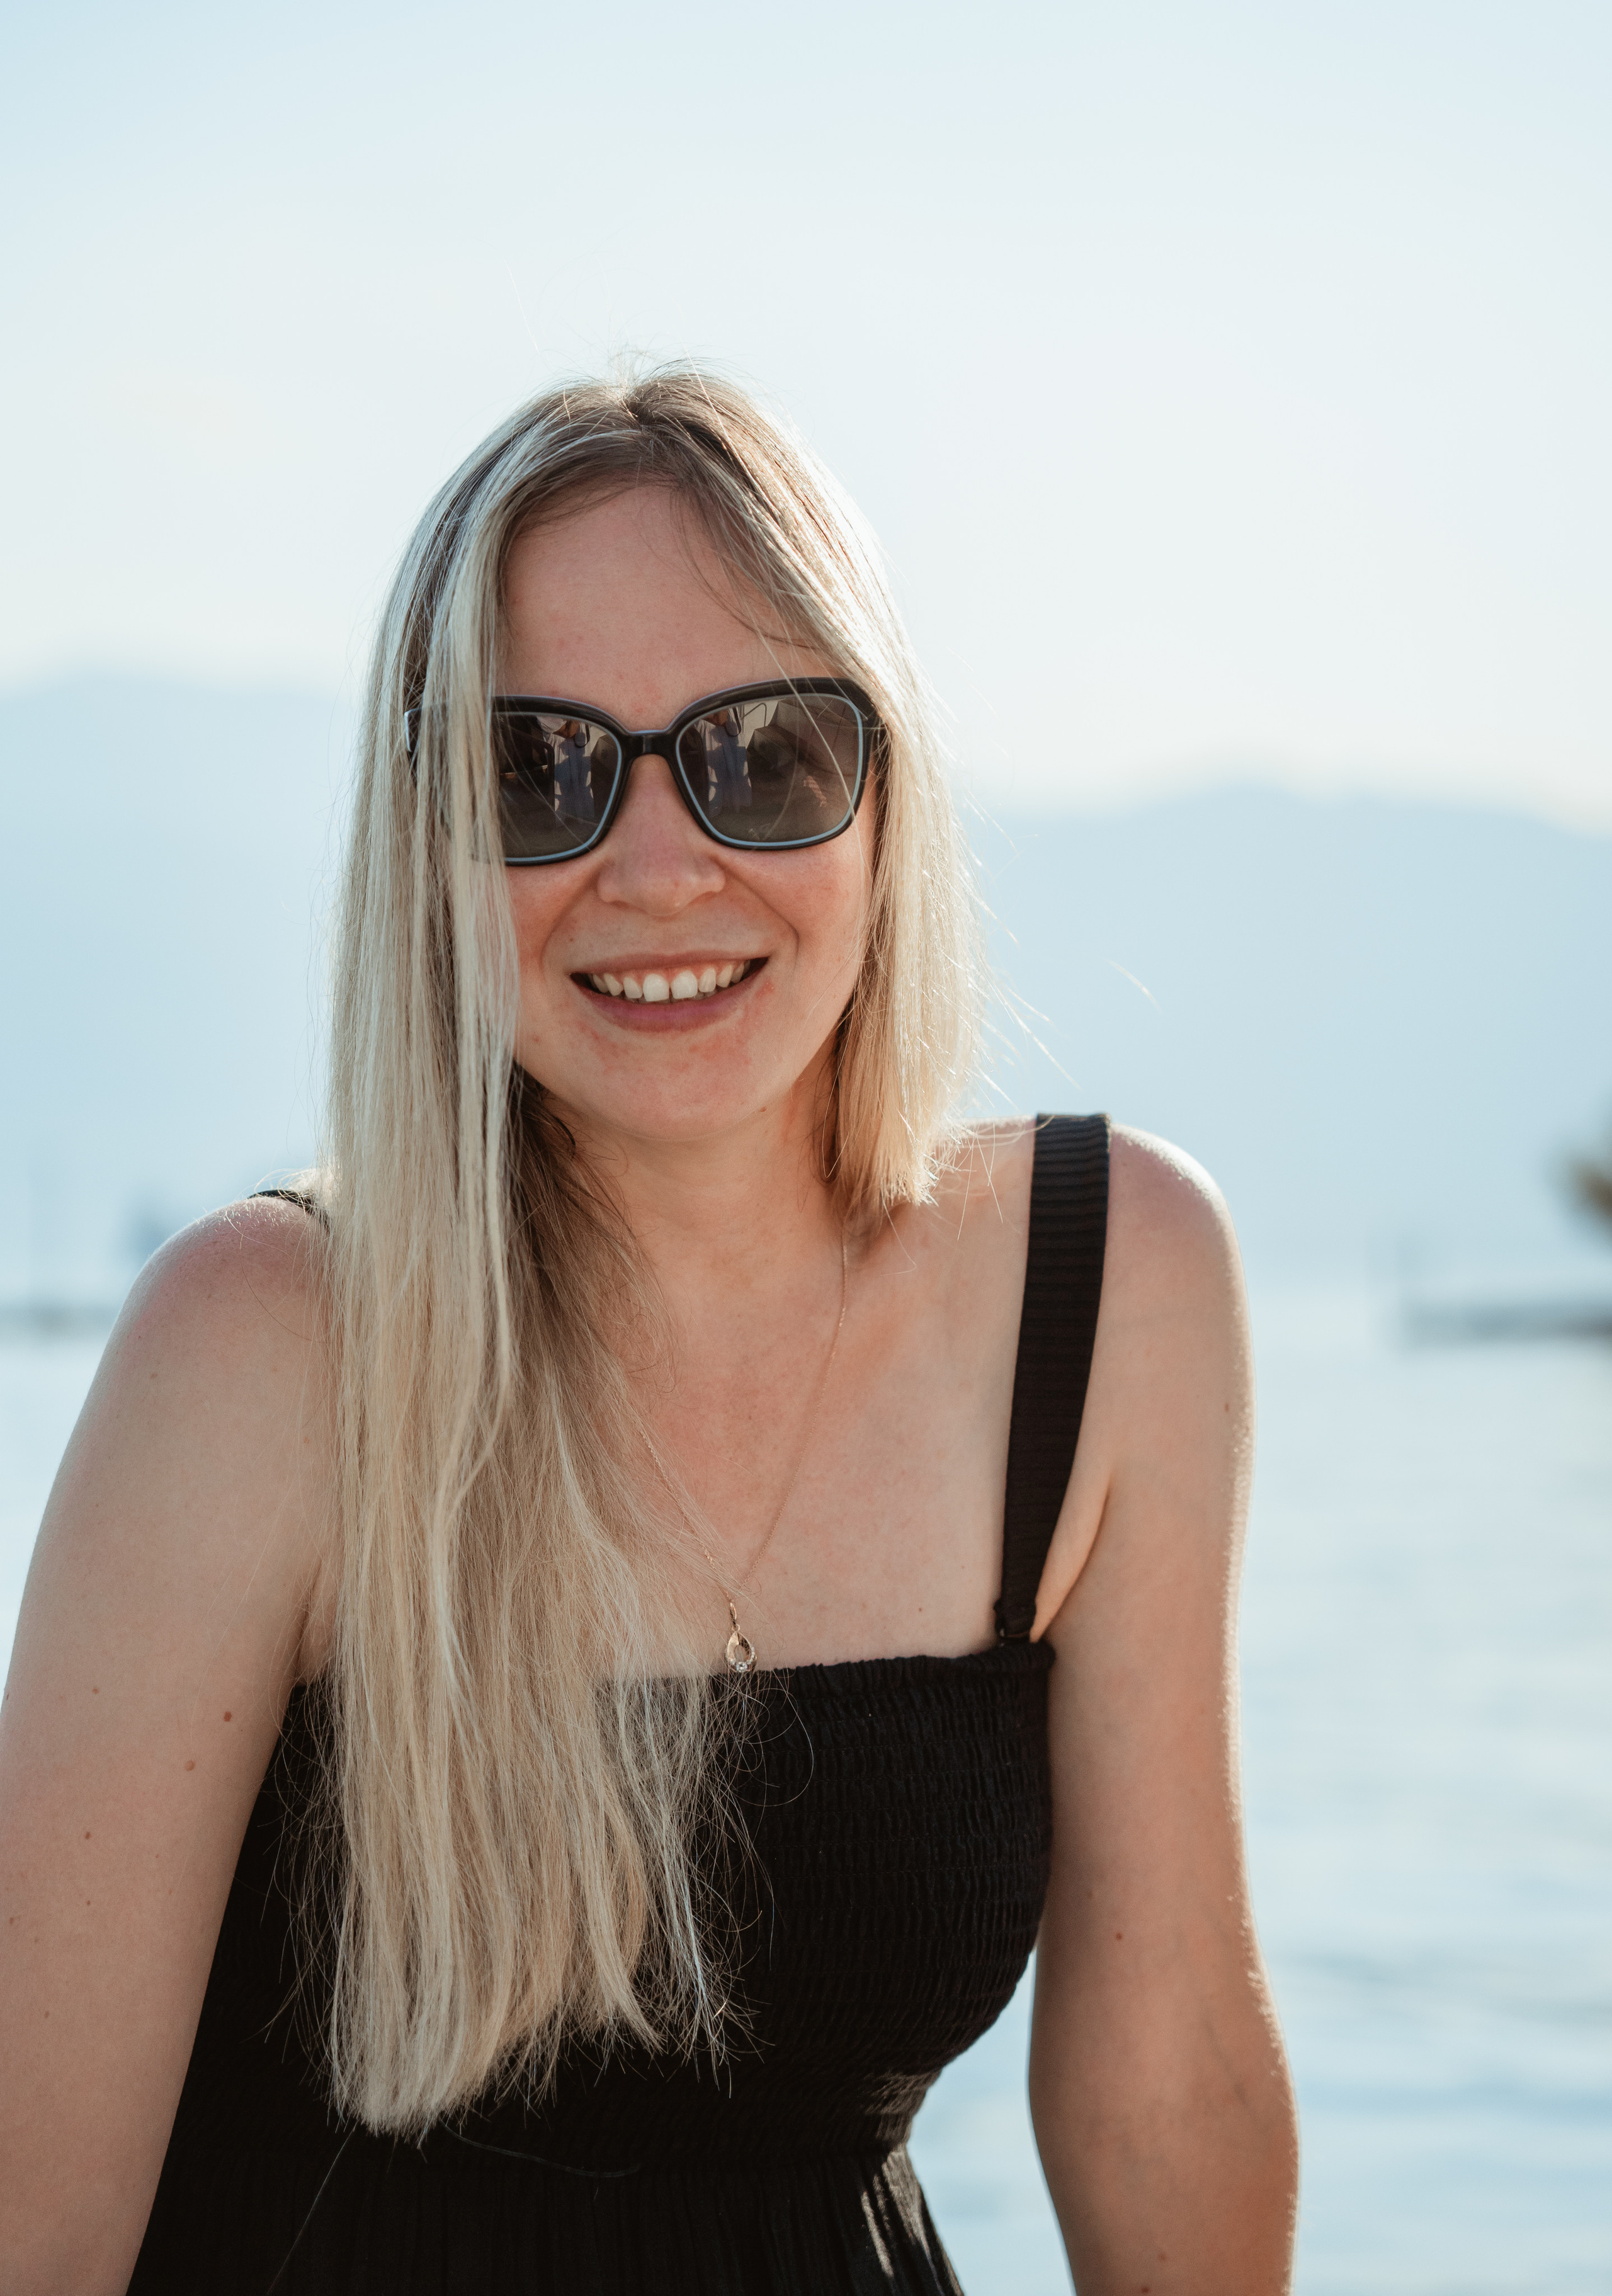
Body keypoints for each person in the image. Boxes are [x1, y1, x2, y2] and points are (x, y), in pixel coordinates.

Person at [0, 371, 1298, 2296]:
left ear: (888, 798)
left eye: (762, 755)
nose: (661, 865)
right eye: (543, 771)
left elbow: (1159, 2090)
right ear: (431, 837)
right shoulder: (260, 1353)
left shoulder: (1114, 1293)